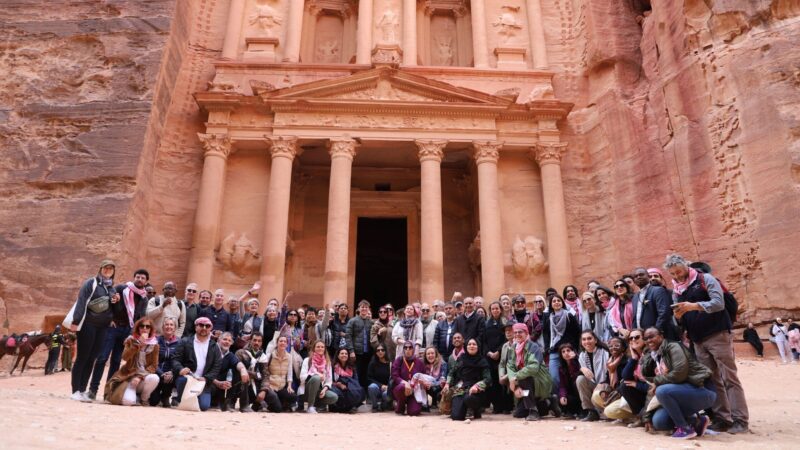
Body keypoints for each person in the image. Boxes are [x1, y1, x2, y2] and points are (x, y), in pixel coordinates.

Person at [666, 253, 749, 434]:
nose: (678, 276)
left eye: (679, 271)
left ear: (686, 266)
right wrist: (678, 318)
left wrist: (693, 306)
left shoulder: (706, 279)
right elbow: (680, 319)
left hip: (717, 334)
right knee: (712, 379)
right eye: (673, 274)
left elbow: (718, 303)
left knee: (729, 377)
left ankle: (740, 420)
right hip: (697, 339)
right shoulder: (677, 290)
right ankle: (722, 418)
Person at [641, 327, 716, 439]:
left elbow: (679, 374)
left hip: (702, 390)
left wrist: (658, 380)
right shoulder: (654, 356)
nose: (648, 340)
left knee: (662, 390)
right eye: (646, 338)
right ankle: (696, 422)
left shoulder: (673, 347)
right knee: (659, 422)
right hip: (682, 393)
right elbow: (651, 386)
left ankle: (684, 429)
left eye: (652, 336)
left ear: (661, 335)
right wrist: (646, 417)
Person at [87, 268, 148, 400]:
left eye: (143, 278)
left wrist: (134, 333)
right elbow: (109, 301)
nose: (140, 279)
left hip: (127, 331)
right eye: (138, 277)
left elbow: (141, 317)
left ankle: (108, 392)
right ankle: (93, 389)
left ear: (146, 281)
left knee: (116, 362)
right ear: (134, 277)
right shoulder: (121, 288)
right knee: (102, 358)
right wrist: (110, 319)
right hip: (113, 328)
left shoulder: (144, 297)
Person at [70, 259, 118, 402]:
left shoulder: (111, 288)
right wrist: (76, 321)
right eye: (106, 268)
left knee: (92, 358)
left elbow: (111, 307)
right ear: (100, 269)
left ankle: (83, 390)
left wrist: (115, 301)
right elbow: (81, 301)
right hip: (88, 324)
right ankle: (75, 391)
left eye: (111, 269)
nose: (108, 270)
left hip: (102, 327)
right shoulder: (91, 283)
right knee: (82, 357)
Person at [104, 318, 160, 406]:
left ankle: (143, 399)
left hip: (143, 378)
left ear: (150, 329)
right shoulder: (130, 340)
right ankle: (134, 397)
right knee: (128, 402)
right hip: (130, 377)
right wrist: (138, 344)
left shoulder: (155, 345)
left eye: (147, 326)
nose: (144, 328)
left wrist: (140, 377)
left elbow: (154, 366)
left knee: (155, 378)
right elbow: (125, 357)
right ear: (138, 328)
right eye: (142, 326)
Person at [172, 317, 223, 411]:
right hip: (188, 378)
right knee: (182, 381)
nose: (204, 328)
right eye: (201, 325)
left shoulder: (214, 346)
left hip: (203, 381)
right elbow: (175, 359)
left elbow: (217, 366)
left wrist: (206, 378)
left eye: (207, 326)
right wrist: (180, 369)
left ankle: (192, 398)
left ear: (210, 329)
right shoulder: (185, 341)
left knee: (204, 406)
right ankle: (180, 398)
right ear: (196, 327)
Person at [506, 323, 553, 421]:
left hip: (540, 380)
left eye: (520, 332)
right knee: (519, 413)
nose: (517, 334)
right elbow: (510, 366)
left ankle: (533, 410)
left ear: (526, 333)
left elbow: (533, 367)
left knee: (524, 378)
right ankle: (548, 403)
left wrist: (515, 377)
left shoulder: (533, 347)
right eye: (515, 332)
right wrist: (514, 383)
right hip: (524, 384)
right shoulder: (513, 348)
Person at [444, 338, 491, 421]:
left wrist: (477, 386)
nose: (471, 346)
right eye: (469, 344)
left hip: (476, 391)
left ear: (478, 346)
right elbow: (452, 372)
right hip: (461, 388)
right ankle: (464, 409)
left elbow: (488, 379)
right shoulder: (461, 359)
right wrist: (447, 384)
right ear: (465, 346)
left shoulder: (482, 361)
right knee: (456, 416)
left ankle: (475, 410)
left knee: (469, 398)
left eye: (474, 344)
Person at [543, 294, 580, 393]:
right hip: (554, 351)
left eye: (558, 300)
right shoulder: (548, 318)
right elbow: (546, 334)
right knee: (554, 378)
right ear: (551, 304)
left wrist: (574, 349)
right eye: (554, 301)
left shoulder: (569, 316)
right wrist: (547, 348)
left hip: (568, 351)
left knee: (571, 377)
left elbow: (577, 332)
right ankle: (560, 402)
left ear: (562, 303)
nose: (556, 303)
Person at [632, 267, 676, 340]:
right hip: (643, 338)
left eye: (641, 275)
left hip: (660, 335)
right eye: (636, 276)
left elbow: (664, 313)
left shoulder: (658, 290)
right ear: (634, 280)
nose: (638, 277)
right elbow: (635, 318)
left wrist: (656, 331)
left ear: (648, 277)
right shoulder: (635, 297)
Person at [576, 330, 609, 422]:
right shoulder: (582, 356)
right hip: (594, 385)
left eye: (589, 338)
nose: (587, 341)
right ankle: (591, 412)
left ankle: (605, 411)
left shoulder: (605, 352)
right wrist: (581, 369)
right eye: (584, 339)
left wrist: (603, 383)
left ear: (595, 340)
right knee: (580, 379)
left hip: (607, 385)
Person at [298, 340, 339, 413]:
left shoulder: (327, 362)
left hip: (320, 390)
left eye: (322, 347)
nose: (320, 348)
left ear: (324, 349)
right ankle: (310, 407)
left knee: (334, 397)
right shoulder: (307, 360)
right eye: (318, 347)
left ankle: (318, 405)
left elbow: (329, 381)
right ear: (314, 348)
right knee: (316, 378)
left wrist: (324, 389)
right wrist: (315, 375)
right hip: (307, 390)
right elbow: (302, 377)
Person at [210, 332, 247, 411]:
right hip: (209, 381)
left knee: (238, 371)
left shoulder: (229, 354)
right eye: (225, 339)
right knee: (204, 404)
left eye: (229, 341)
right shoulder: (211, 349)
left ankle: (228, 403)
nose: (227, 342)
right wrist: (217, 382)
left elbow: (238, 363)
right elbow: (205, 372)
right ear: (219, 340)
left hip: (220, 384)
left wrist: (243, 370)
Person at [482, 301, 507, 414]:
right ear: (490, 311)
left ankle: (506, 406)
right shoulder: (486, 324)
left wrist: (498, 351)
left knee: (502, 381)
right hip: (489, 357)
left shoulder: (505, 322)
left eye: (497, 308)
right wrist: (489, 353)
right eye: (493, 309)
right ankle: (497, 406)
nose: (495, 310)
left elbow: (506, 339)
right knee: (493, 383)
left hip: (502, 356)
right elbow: (483, 341)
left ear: (500, 310)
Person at [598, 336, 631, 421]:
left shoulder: (627, 360)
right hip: (615, 390)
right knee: (597, 394)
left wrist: (617, 391)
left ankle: (629, 416)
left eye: (617, 345)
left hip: (624, 393)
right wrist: (603, 387)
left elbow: (626, 380)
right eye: (610, 346)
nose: (613, 348)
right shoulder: (610, 361)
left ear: (623, 348)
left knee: (609, 411)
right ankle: (614, 414)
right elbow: (607, 380)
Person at [235, 332, 270, 412]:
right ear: (250, 340)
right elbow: (236, 369)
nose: (256, 343)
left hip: (257, 384)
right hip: (240, 384)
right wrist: (255, 374)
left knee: (276, 406)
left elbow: (265, 375)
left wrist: (264, 390)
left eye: (259, 341)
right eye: (254, 340)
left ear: (261, 343)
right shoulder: (240, 352)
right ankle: (244, 406)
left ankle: (257, 405)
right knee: (245, 377)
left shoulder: (263, 356)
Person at [262, 335, 297, 412]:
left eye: (285, 341)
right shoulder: (270, 355)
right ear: (277, 343)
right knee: (278, 409)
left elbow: (290, 372)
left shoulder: (289, 357)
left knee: (293, 396)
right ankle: (267, 403)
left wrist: (289, 385)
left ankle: (279, 403)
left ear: (287, 344)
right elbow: (264, 372)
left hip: (281, 387)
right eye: (281, 341)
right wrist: (267, 385)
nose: (283, 343)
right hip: (271, 386)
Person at [151, 317, 180, 407]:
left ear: (175, 328)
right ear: (163, 327)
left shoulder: (180, 342)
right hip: (157, 372)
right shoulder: (156, 340)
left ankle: (166, 396)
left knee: (174, 377)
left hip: (171, 374)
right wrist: (161, 373)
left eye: (171, 325)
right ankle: (156, 396)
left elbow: (179, 360)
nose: (169, 327)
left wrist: (172, 372)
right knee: (153, 402)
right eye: (166, 324)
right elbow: (152, 360)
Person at [391, 341, 425, 416]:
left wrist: (419, 383)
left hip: (414, 391)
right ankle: (401, 406)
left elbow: (424, 376)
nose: (408, 349)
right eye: (405, 347)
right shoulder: (399, 360)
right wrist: (404, 382)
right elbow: (394, 375)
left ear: (413, 349)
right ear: (403, 349)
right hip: (401, 389)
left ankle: (411, 405)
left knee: (414, 412)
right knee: (402, 387)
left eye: (410, 347)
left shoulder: (419, 362)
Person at [346, 300, 373, 390]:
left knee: (367, 373)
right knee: (357, 373)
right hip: (357, 353)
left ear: (368, 309)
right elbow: (348, 336)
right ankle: (358, 394)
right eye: (362, 307)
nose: (364, 309)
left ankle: (366, 394)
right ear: (359, 309)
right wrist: (351, 351)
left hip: (368, 353)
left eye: (366, 307)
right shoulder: (352, 321)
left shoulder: (371, 322)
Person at [330, 348, 365, 412]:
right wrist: (339, 385)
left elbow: (356, 380)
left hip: (349, 385)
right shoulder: (333, 367)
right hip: (336, 386)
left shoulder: (352, 367)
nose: (344, 355)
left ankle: (351, 406)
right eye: (342, 353)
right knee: (338, 392)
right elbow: (329, 381)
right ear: (338, 355)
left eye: (346, 354)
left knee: (358, 390)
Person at [556, 343, 583, 419]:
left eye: (568, 350)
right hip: (571, 395)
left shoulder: (579, 362)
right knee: (560, 398)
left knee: (576, 383)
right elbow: (562, 385)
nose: (566, 353)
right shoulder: (561, 368)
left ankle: (582, 410)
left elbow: (576, 376)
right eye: (563, 352)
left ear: (573, 351)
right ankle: (570, 412)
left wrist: (574, 359)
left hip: (580, 394)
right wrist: (563, 396)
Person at [497, 323, 515, 415]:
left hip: (517, 373)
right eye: (506, 331)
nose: (508, 332)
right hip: (506, 372)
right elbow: (502, 363)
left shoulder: (519, 344)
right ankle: (508, 407)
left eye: (510, 330)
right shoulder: (504, 346)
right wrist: (501, 375)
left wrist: (507, 376)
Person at [367, 344, 392, 411]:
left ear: (385, 351)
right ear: (376, 352)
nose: (380, 352)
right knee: (372, 387)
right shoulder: (372, 364)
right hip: (377, 388)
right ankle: (374, 406)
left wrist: (387, 387)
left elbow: (393, 378)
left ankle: (384, 405)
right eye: (378, 350)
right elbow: (369, 379)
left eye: (382, 350)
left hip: (387, 389)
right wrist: (381, 385)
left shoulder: (390, 364)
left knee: (386, 394)